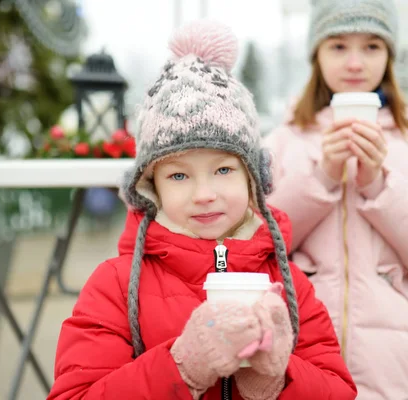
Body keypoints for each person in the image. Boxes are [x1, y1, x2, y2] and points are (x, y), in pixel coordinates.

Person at [47, 21, 356, 400]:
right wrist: (182, 367)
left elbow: (338, 391)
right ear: (150, 187)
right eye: (178, 175)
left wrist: (278, 379)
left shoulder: (291, 285)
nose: (204, 194)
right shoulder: (114, 286)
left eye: (224, 170)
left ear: (252, 179)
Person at [263, 1, 408, 399]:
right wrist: (323, 175)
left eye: (373, 46)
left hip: (394, 366)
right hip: (294, 358)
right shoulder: (280, 144)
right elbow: (250, 243)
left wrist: (380, 184)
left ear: (389, 55)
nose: (356, 62)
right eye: (338, 46)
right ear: (317, 54)